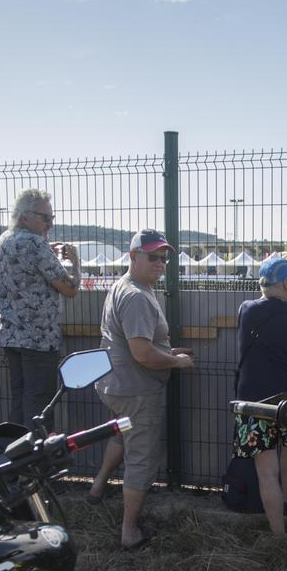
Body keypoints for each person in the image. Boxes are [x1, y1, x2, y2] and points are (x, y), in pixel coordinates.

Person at [90, 230, 193, 550]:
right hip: (136, 390)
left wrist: (167, 351)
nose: (160, 263)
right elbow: (143, 354)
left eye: (164, 258)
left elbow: (141, 344)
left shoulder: (127, 286)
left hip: (115, 384)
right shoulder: (136, 296)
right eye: (153, 257)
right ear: (133, 256)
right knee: (142, 459)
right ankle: (129, 531)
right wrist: (177, 363)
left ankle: (96, 489)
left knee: (121, 434)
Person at [234, 256, 287, 536]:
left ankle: (279, 534)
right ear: (286, 283)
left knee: (266, 470)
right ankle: (286, 500)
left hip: (255, 403)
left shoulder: (246, 310)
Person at [0, 189, 79, 421]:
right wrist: (76, 262)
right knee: (40, 405)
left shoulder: (3, 241)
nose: (50, 223)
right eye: (46, 217)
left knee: (20, 402)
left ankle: (16, 452)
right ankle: (36, 455)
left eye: (52, 218)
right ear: (25, 217)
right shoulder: (34, 243)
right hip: (39, 340)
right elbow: (69, 288)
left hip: (12, 336)